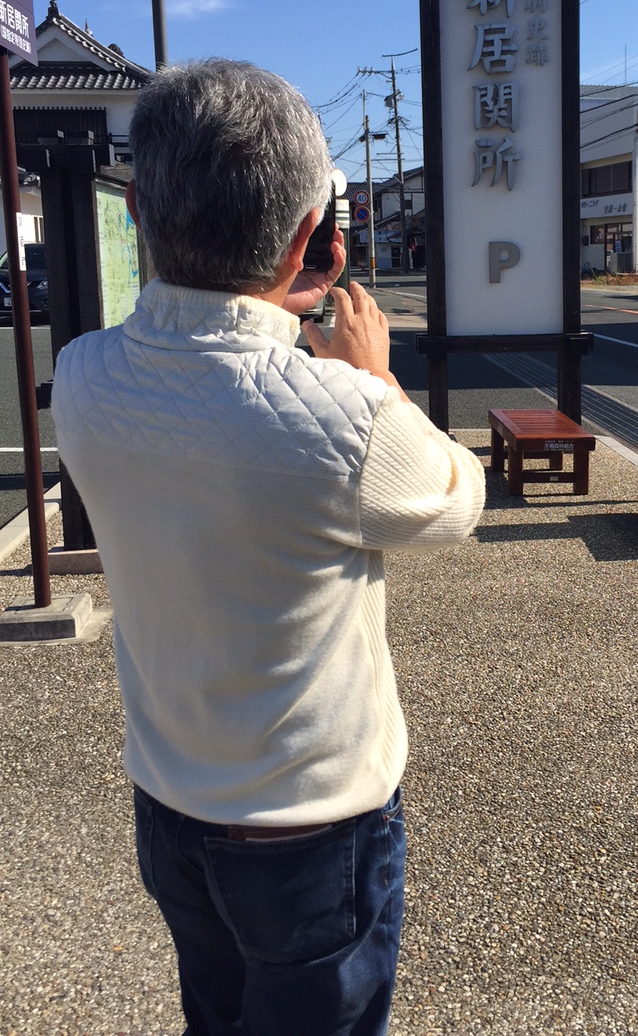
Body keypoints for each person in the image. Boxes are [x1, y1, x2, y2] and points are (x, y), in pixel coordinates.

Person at [51, 58, 486, 1036]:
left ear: (139, 215)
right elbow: (460, 497)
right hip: (312, 837)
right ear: (308, 239)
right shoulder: (346, 415)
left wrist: (273, 306)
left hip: (168, 804)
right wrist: (376, 379)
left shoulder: (80, 377)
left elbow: (206, 374)